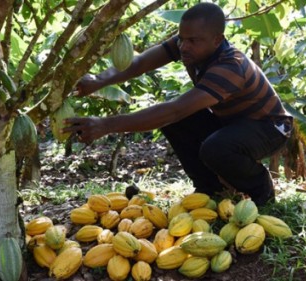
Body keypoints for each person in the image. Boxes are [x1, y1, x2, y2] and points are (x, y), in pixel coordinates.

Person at [62, 2, 293, 206]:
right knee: (178, 123)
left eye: (193, 41)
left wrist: (105, 125)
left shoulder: (230, 66)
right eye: (182, 38)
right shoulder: (189, 45)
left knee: (213, 145)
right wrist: (98, 81)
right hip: (234, 123)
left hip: (270, 128)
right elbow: (141, 62)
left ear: (217, 40)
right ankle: (211, 190)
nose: (184, 46)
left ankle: (261, 191)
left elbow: (175, 110)